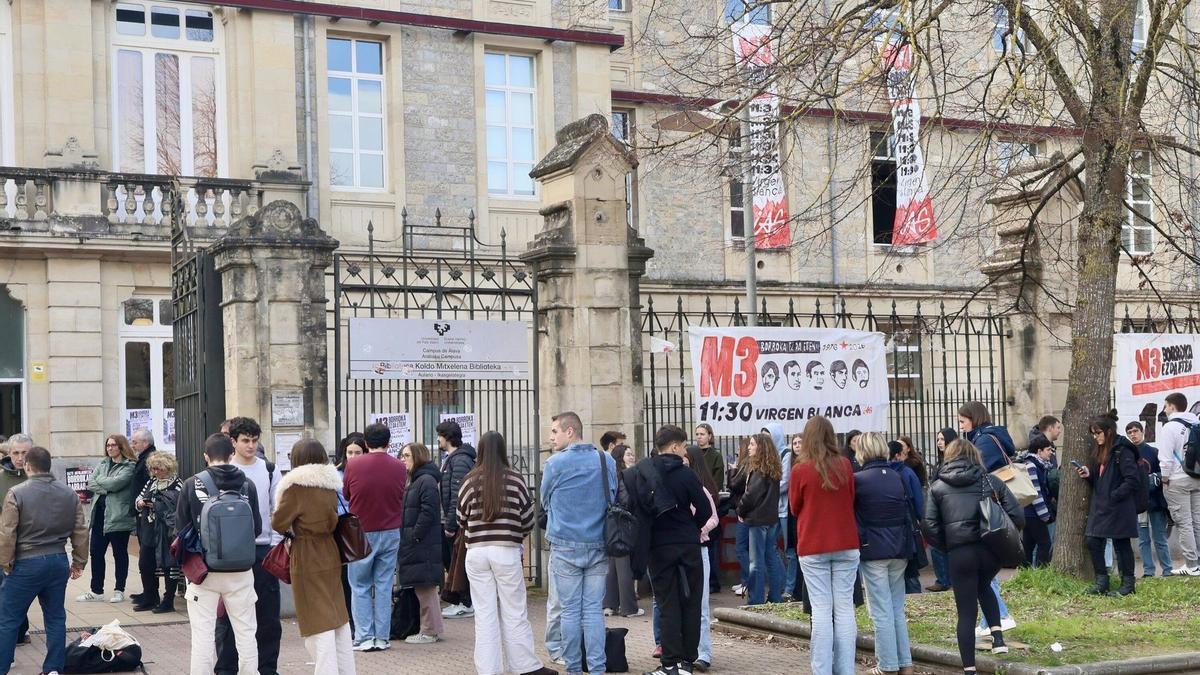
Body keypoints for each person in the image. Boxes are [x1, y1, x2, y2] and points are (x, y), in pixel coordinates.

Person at [459, 431, 556, 675]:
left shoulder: (469, 481)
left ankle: (489, 669)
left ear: (479, 451)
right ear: (503, 451)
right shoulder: (516, 480)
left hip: (477, 552)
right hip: (507, 550)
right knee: (514, 610)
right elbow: (527, 519)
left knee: (484, 613)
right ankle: (524, 665)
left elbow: (461, 518)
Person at [925, 439, 1024, 674]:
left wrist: (948, 544)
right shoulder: (991, 480)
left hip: (960, 554)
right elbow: (1017, 516)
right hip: (990, 551)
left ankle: (969, 669)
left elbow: (929, 526)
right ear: (975, 456)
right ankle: (998, 638)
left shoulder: (937, 487)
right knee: (984, 585)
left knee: (966, 612)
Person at [623, 428, 712, 675]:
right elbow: (704, 509)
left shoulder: (643, 474)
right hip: (687, 544)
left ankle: (669, 663)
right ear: (674, 447)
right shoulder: (687, 475)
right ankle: (687, 662)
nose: (685, 450)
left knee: (666, 603)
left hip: (659, 546)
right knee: (692, 601)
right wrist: (691, 528)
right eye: (683, 446)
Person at [178, 433, 263, 675]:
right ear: (231, 454)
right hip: (241, 571)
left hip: (204, 571)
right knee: (246, 631)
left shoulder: (191, 484)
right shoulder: (247, 485)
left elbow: (180, 530)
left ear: (206, 456)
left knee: (203, 633)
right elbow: (256, 528)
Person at [0, 446, 88, 675]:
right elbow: (80, 529)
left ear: (28, 465)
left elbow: (7, 532)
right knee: (55, 617)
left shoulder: (17, 492)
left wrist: (5, 563)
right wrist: (79, 561)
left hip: (26, 560)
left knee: (8, 618)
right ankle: (53, 669)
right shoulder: (69, 493)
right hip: (58, 558)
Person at [272, 439, 355, 674]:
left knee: (316, 619)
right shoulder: (330, 485)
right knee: (337, 616)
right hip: (330, 550)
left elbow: (279, 523)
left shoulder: (295, 488)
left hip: (306, 552)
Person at [542, 411, 614, 675]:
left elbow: (544, 500)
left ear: (570, 432)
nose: (551, 437)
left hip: (565, 543)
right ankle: (597, 669)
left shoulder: (555, 464)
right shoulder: (605, 459)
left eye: (554, 431)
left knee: (570, 611)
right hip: (598, 542)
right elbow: (613, 496)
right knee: (593, 611)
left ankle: (573, 668)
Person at [789, 416, 859, 675]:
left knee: (820, 611)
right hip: (845, 541)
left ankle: (822, 670)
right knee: (844, 608)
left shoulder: (800, 469)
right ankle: (845, 670)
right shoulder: (844, 464)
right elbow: (851, 499)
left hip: (813, 544)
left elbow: (795, 507)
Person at [216, 416, 283, 675]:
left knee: (268, 617)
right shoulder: (223, 469)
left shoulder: (269, 469)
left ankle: (268, 668)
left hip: (263, 548)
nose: (251, 446)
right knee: (230, 617)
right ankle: (227, 668)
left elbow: (276, 508)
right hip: (232, 554)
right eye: (245, 441)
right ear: (233, 441)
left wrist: (276, 543)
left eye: (254, 440)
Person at [344, 422, 408, 651]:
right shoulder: (400, 467)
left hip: (361, 530)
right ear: (388, 443)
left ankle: (363, 636)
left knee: (359, 585)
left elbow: (347, 494)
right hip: (391, 530)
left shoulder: (354, 465)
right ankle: (382, 636)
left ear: (366, 443)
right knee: (383, 585)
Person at [854, 432, 914, 675]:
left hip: (873, 549)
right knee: (896, 608)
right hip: (899, 547)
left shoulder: (858, 480)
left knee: (880, 611)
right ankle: (905, 663)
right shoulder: (896, 476)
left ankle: (888, 665)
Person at [1076, 412, 1141, 596]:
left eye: (1098, 433)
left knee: (1121, 545)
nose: (1095, 437)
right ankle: (1101, 581)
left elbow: (1132, 480)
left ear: (1108, 431)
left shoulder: (1123, 450)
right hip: (1103, 506)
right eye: (1093, 433)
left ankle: (1128, 585)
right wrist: (1089, 475)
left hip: (1119, 506)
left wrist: (1114, 495)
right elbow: (1101, 478)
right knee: (1093, 540)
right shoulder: (1101, 450)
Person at [78, 434, 136, 604]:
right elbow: (90, 483)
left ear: (121, 447)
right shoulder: (103, 463)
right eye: (108, 445)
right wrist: (106, 486)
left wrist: (104, 484)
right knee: (96, 552)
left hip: (118, 516)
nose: (110, 448)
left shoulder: (129, 466)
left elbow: (114, 484)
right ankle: (96, 590)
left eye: (113, 445)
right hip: (99, 516)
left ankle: (119, 589)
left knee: (119, 554)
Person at [398, 442, 445, 644]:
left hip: (422, 543)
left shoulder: (424, 480)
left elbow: (428, 510)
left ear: (417, 457)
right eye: (401, 455)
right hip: (419, 541)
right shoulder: (416, 480)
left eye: (406, 455)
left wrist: (415, 535)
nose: (402, 459)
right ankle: (430, 628)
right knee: (423, 587)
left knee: (425, 588)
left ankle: (429, 630)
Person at [683, 444, 719, 672]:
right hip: (681, 549)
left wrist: (701, 530)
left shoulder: (700, 489)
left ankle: (703, 652)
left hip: (699, 548)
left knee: (701, 604)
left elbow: (713, 517)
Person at [438, 419, 478, 619]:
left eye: (440, 436)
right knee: (453, 561)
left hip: (454, 522)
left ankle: (465, 601)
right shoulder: (453, 458)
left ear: (447, 438)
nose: (438, 439)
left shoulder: (459, 460)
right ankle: (462, 599)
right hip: (450, 519)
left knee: (457, 561)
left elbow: (457, 494)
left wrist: (451, 524)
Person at [737, 431, 784, 606]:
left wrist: (740, 510)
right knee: (771, 557)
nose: (749, 447)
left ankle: (756, 599)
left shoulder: (758, 470)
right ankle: (775, 596)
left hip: (757, 519)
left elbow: (751, 496)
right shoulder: (773, 468)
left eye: (752, 444)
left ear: (761, 448)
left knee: (755, 562)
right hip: (771, 518)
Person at [133, 452, 183, 613]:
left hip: (167, 530)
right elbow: (138, 499)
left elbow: (180, 507)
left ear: (167, 468)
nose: (155, 472)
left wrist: (158, 505)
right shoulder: (151, 482)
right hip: (149, 529)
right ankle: (150, 597)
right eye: (152, 469)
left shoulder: (177, 484)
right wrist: (141, 503)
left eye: (158, 469)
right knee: (145, 563)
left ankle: (168, 601)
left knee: (170, 565)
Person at [1157, 392, 1200, 575]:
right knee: (1197, 521)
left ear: (1172, 406)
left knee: (1184, 523)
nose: (1165, 410)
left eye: (1166, 406)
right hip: (1196, 477)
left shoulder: (1170, 427)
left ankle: (1191, 565)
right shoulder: (1196, 424)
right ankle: (1197, 562)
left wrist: (1164, 480)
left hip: (1177, 479)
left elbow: (1165, 459)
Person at [1128, 421, 1173, 576]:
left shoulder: (1153, 452)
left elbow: (1166, 473)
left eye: (1135, 431)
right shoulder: (1128, 453)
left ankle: (1167, 570)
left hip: (1155, 502)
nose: (1133, 434)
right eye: (1129, 432)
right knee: (1143, 540)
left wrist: (1156, 477)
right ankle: (1148, 571)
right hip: (1139, 504)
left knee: (1160, 538)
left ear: (1142, 432)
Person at [0, 433, 31, 645]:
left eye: (24, 453)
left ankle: (21, 630)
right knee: (7, 592)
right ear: (8, 453)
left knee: (26, 593)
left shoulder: (39, 476)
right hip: (6, 544)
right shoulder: (2, 478)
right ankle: (16, 634)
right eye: (15, 453)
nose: (19, 457)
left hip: (33, 546)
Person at [335, 432, 367, 632]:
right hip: (344, 529)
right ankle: (350, 621)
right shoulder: (337, 474)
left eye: (358, 452)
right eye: (350, 453)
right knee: (346, 578)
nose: (353, 457)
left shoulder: (369, 472)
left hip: (365, 528)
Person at [604, 444, 641, 618]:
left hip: (611, 521)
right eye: (628, 454)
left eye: (632, 453)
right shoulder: (626, 476)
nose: (632, 456)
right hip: (624, 522)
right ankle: (628, 607)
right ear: (620, 457)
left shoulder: (612, 474)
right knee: (624, 565)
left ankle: (609, 604)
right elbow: (627, 499)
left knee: (612, 566)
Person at [925, 428, 957, 592]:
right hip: (940, 509)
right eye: (938, 439)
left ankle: (944, 579)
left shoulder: (950, 462)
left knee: (939, 545)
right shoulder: (942, 461)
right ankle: (945, 578)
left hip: (947, 510)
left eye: (942, 439)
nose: (939, 442)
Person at [694, 423, 725, 595]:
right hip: (695, 502)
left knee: (711, 546)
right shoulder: (693, 454)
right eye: (697, 434)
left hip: (710, 501)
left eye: (702, 434)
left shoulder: (715, 456)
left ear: (710, 436)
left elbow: (717, 481)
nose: (699, 437)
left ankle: (714, 581)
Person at [1020, 435, 1055, 568]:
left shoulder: (1035, 465)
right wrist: (1045, 515)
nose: (1051, 453)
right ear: (1039, 451)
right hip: (1034, 513)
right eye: (1048, 450)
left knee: (1028, 545)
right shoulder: (1032, 466)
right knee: (1044, 543)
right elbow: (1036, 493)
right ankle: (1041, 573)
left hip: (1029, 513)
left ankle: (1026, 573)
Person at [958, 401, 1015, 472]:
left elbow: (982, 472)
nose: (961, 427)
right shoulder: (983, 436)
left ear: (974, 419)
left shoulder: (984, 440)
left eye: (962, 422)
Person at [727, 438, 751, 597]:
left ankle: (747, 582)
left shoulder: (745, 466)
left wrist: (732, 470)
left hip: (745, 513)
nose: (736, 450)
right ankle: (745, 581)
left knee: (741, 548)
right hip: (743, 511)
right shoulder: (744, 465)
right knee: (744, 548)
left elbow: (734, 484)